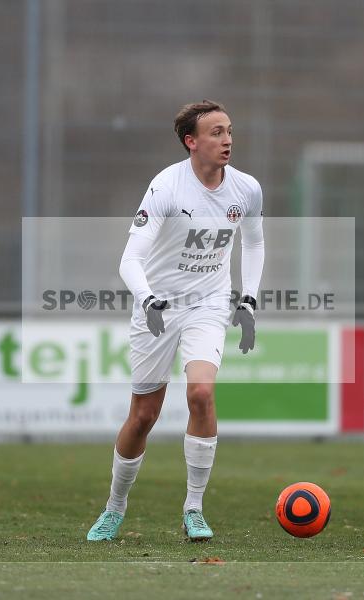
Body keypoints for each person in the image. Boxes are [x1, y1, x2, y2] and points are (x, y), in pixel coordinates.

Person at [86, 100, 265, 542]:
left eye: (229, 131)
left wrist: (248, 301)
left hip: (208, 303)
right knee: (143, 415)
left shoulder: (246, 189)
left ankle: (194, 509)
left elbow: (255, 244)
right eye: (216, 133)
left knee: (201, 394)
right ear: (191, 142)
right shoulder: (166, 187)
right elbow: (130, 259)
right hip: (158, 306)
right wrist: (148, 301)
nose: (227, 140)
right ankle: (114, 508)